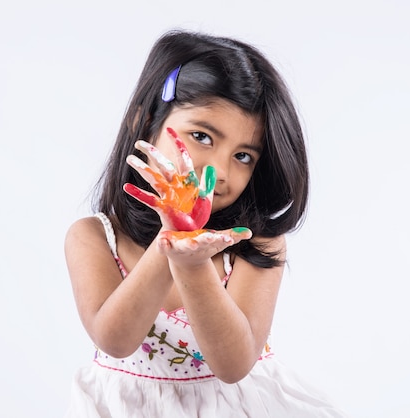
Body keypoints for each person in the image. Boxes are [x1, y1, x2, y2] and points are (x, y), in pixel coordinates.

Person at [63, 29, 348, 418]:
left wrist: (193, 262)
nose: (219, 171)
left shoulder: (258, 245)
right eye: (201, 136)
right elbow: (114, 339)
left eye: (244, 156)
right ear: (144, 122)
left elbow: (233, 366)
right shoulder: (94, 236)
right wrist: (172, 238)